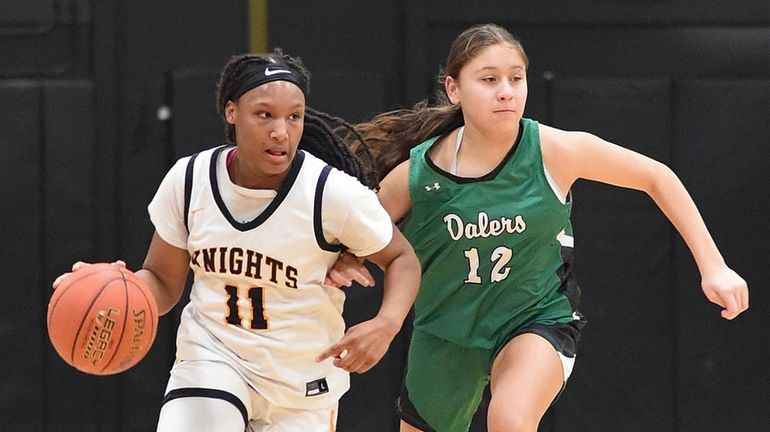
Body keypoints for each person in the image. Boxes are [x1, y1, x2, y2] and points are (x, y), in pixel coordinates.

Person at [326, 23, 749, 432]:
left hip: (535, 319)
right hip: (446, 331)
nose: (506, 91)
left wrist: (714, 266)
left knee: (509, 420)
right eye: (489, 79)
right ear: (454, 89)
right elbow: (356, 235)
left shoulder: (554, 150)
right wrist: (346, 258)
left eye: (516, 78)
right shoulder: (418, 175)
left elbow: (658, 177)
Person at [53, 51, 421, 432]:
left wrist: (387, 323)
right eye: (264, 115)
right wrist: (114, 287)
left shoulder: (330, 193)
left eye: (293, 116)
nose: (281, 130)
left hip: (300, 382)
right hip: (213, 357)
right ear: (231, 112)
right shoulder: (190, 180)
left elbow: (401, 257)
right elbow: (161, 282)